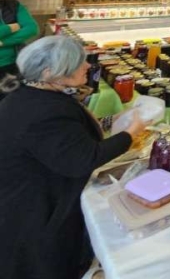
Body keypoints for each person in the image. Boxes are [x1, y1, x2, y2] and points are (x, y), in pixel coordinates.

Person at [0, 36, 147, 278]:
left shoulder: (30, 94)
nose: (87, 65)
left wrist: (110, 122)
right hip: (35, 211)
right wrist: (131, 133)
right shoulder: (45, 112)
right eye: (79, 62)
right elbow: (84, 159)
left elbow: (70, 134)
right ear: (50, 73)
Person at [0, 0, 38, 77]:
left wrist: (3, 42)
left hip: (13, 63)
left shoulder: (14, 5)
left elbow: (32, 28)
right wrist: (12, 27)